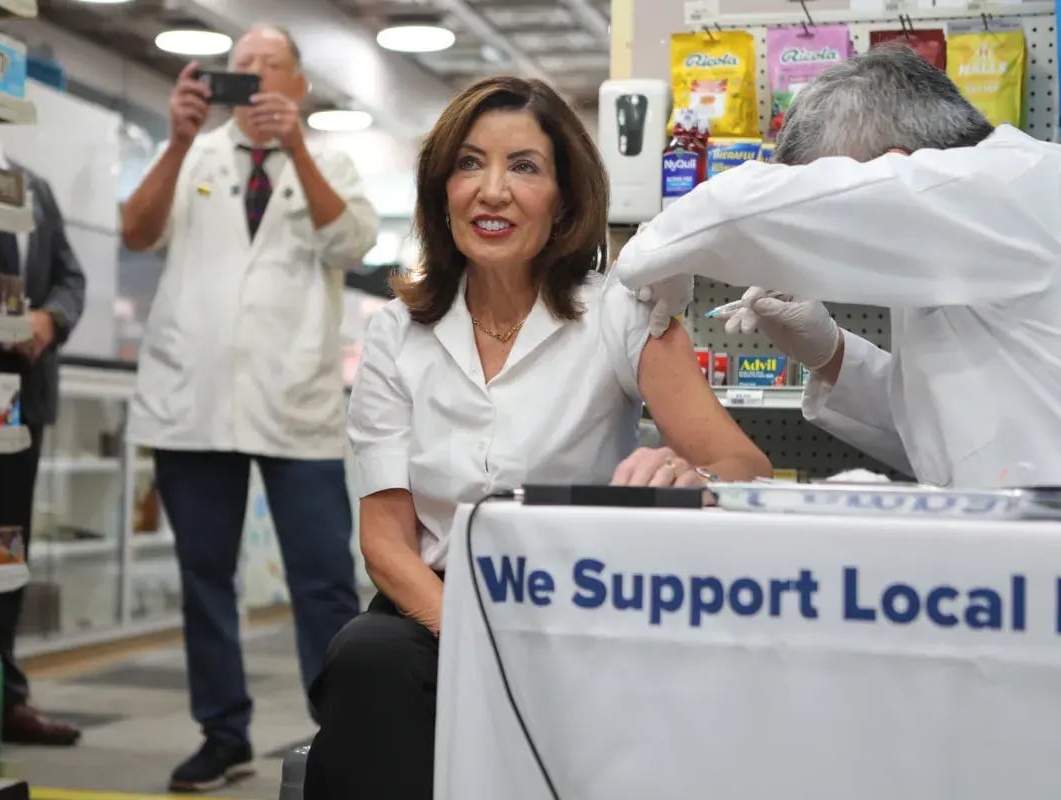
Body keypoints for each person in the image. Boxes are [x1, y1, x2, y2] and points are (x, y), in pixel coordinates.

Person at [303, 76, 772, 799]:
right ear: (441, 191)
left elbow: (742, 461)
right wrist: (469, 633)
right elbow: (386, 541)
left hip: (584, 606)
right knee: (364, 659)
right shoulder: (398, 333)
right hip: (434, 609)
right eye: (468, 163)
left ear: (564, 199)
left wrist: (690, 475)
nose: (492, 190)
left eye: (524, 166)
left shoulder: (617, 311)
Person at [615, 45, 1061, 489]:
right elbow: (946, 436)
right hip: (1049, 559)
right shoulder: (966, 239)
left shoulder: (1025, 186)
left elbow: (741, 205)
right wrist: (830, 353)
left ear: (895, 168)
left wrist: (655, 247)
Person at [119, 25, 379, 792]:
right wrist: (175, 139)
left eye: (271, 67)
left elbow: (354, 245)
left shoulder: (327, 159)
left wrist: (296, 150)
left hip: (293, 405)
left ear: (298, 87)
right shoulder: (190, 152)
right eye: (241, 67)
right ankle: (223, 734)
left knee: (324, 578)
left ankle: (345, 735)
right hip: (191, 403)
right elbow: (136, 231)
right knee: (204, 575)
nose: (254, 77)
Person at [0, 112, 86, 745]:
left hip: (18, 401)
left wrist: (48, 321)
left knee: (2, 552)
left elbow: (69, 277)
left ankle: (0, 699)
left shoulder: (31, 185)